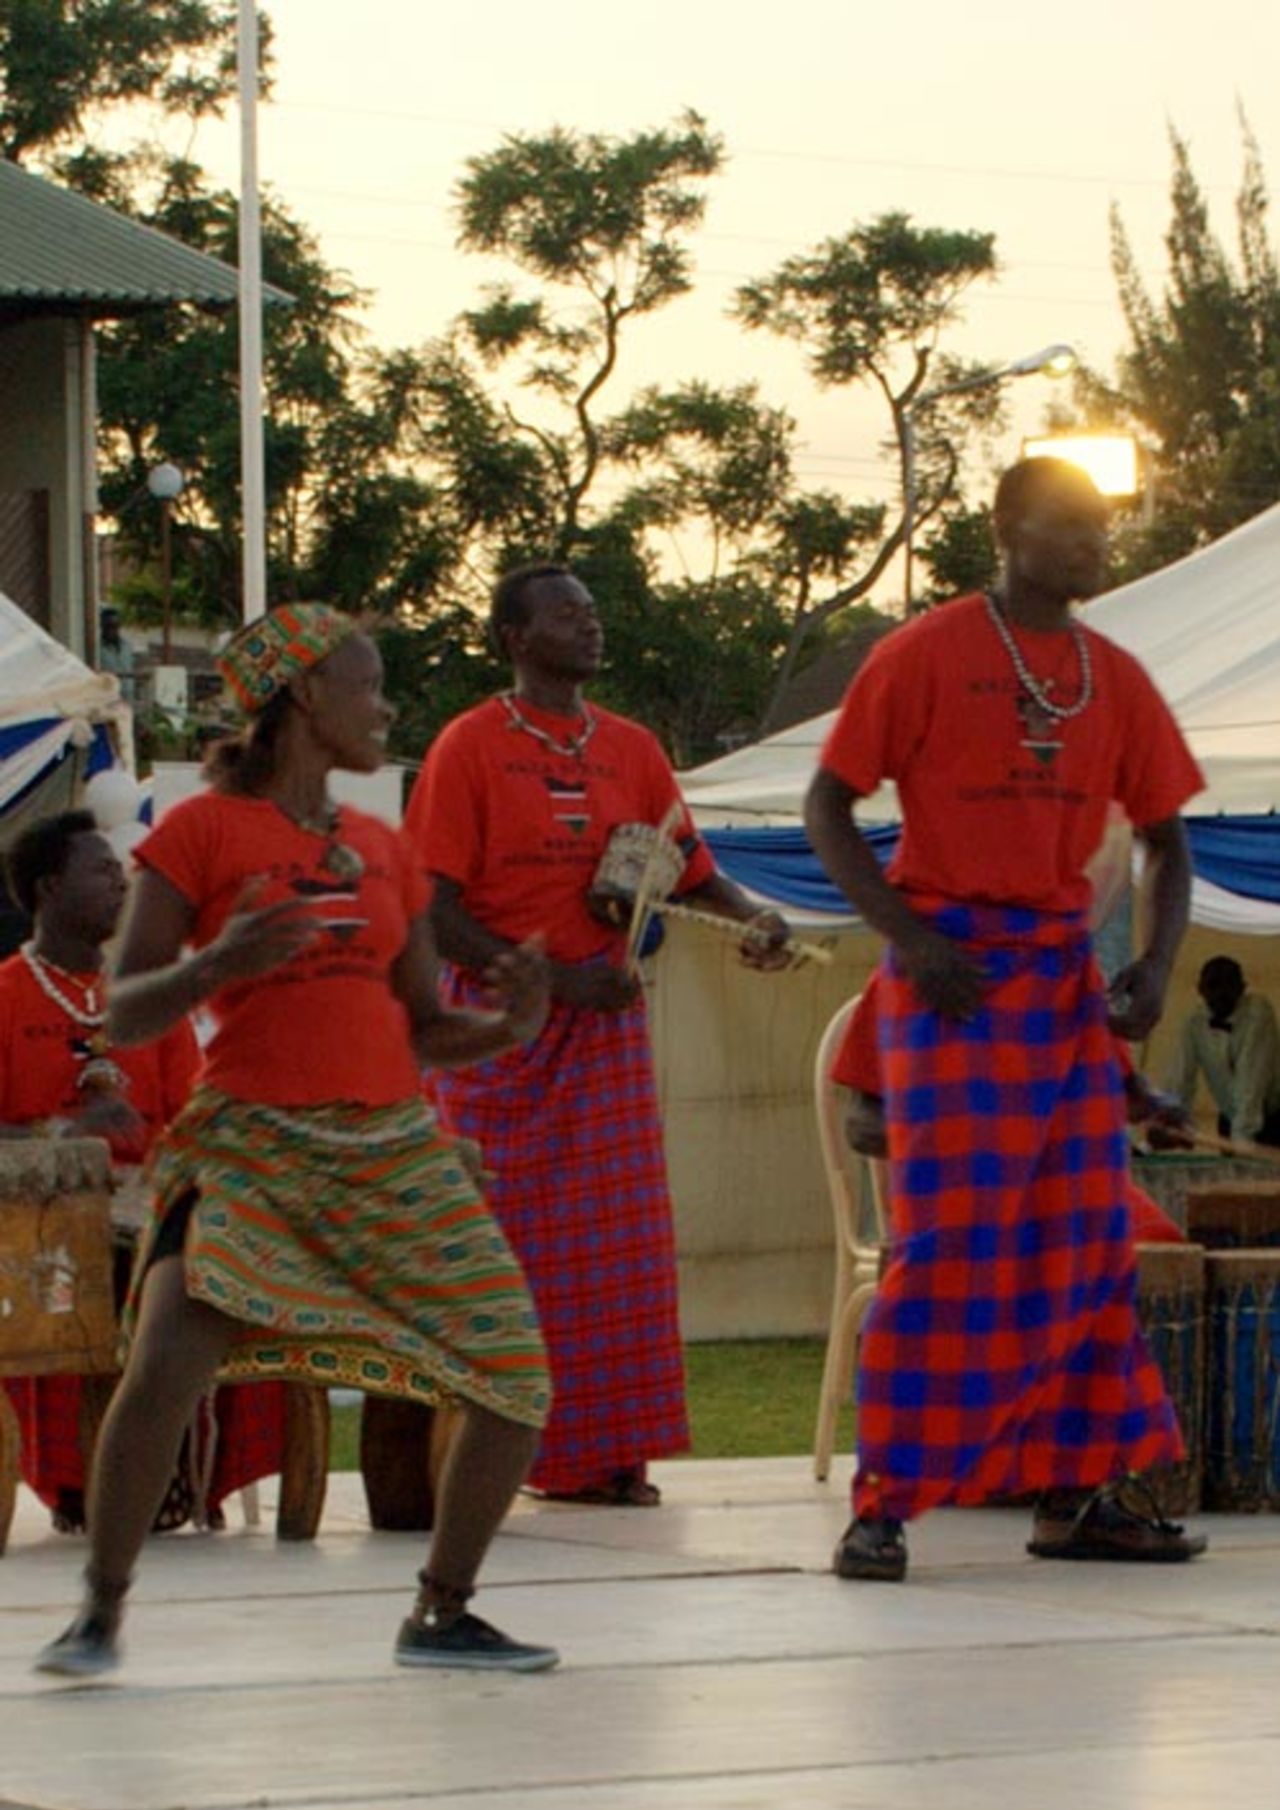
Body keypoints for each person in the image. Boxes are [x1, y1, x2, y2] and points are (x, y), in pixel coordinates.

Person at [36, 603, 559, 1678]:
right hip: (250, 1146)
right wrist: (213, 964)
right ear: (307, 698)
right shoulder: (200, 833)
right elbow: (126, 1007)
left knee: (513, 1369)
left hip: (390, 1147)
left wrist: (509, 1023)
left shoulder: (380, 845)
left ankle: (441, 1611)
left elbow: (422, 1028)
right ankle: (100, 1607)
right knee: (168, 1360)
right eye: (368, 686)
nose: (385, 707)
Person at [805, 456, 1207, 1582]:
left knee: (1084, 1247)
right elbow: (826, 805)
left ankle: (1075, 1499)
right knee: (947, 1247)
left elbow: (1163, 837)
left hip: (1057, 983)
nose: (1091, 543)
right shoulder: (923, 652)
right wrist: (911, 939)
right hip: (950, 982)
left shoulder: (1111, 675)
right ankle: (881, 1506)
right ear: (1003, 526)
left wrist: (1153, 970)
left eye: (1100, 527)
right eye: (1067, 524)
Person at [405, 564, 790, 1506]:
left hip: (604, 1034)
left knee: (617, 1253)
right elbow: (431, 906)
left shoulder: (633, 749)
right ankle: (501, 1461)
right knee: (505, 1250)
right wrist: (546, 979)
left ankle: (608, 1455)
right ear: (513, 639)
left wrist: (755, 919)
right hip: (498, 1032)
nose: (589, 625)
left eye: (593, 610)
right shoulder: (468, 748)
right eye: (566, 614)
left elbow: (692, 873)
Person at [0, 811, 283, 1534]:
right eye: (101, 870)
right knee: (79, 1282)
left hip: (152, 1211)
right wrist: (62, 1132)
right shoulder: (5, 994)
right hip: (40, 1230)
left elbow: (192, 1112)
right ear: (48, 886)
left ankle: (185, 1471)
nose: (121, 883)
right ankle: (85, 1481)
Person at [1165, 955, 1280, 1146]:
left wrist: (1242, 1145)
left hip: (1273, 1118)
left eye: (1229, 985)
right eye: (1213, 986)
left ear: (1242, 988)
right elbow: (1180, 1079)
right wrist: (1175, 1124)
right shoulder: (1195, 1023)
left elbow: (1251, 1082)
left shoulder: (1258, 1014)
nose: (1220, 993)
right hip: (1231, 1118)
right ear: (1200, 990)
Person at [97, 608, 137, 705]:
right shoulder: (97, 648)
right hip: (107, 700)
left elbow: (132, 667)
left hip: (127, 699)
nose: (111, 630)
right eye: (108, 626)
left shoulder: (127, 647)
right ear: (102, 626)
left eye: (115, 626)